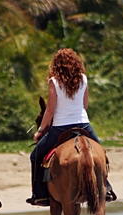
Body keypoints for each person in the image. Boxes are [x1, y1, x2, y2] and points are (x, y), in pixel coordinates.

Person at [26, 48, 116, 206]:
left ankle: (39, 194)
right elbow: (85, 105)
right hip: (83, 124)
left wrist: (40, 130)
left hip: (60, 126)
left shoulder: (54, 82)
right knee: (101, 153)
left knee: (35, 155)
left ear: (56, 66)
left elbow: (51, 110)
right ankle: (106, 188)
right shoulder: (83, 79)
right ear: (76, 63)